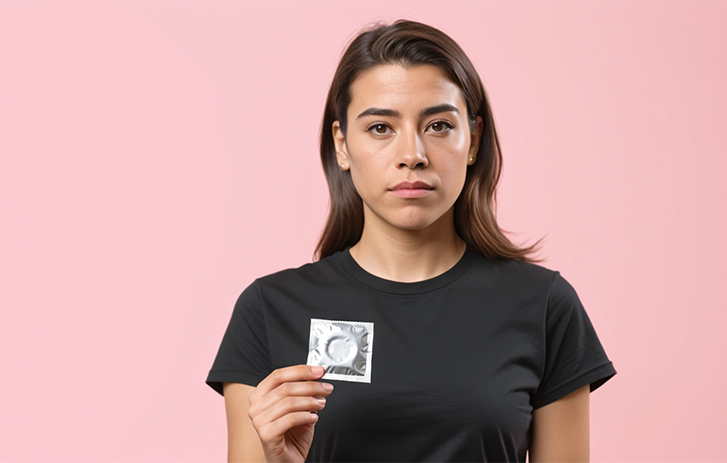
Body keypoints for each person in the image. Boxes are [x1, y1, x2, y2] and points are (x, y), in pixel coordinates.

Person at [206, 19, 616, 463]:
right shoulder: (269, 309)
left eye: (439, 125)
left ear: (473, 140)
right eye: (381, 128)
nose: (412, 155)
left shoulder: (544, 304)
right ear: (342, 145)